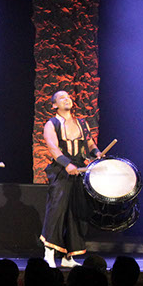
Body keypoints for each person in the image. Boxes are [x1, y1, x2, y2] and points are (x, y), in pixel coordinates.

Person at [40, 90, 102, 268]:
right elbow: (53, 148)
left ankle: (68, 257)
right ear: (54, 105)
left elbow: (89, 142)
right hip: (61, 169)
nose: (67, 99)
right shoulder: (51, 124)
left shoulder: (82, 123)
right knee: (57, 209)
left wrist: (96, 153)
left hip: (79, 169)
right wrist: (67, 164)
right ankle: (49, 253)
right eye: (62, 98)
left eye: (68, 97)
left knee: (76, 211)